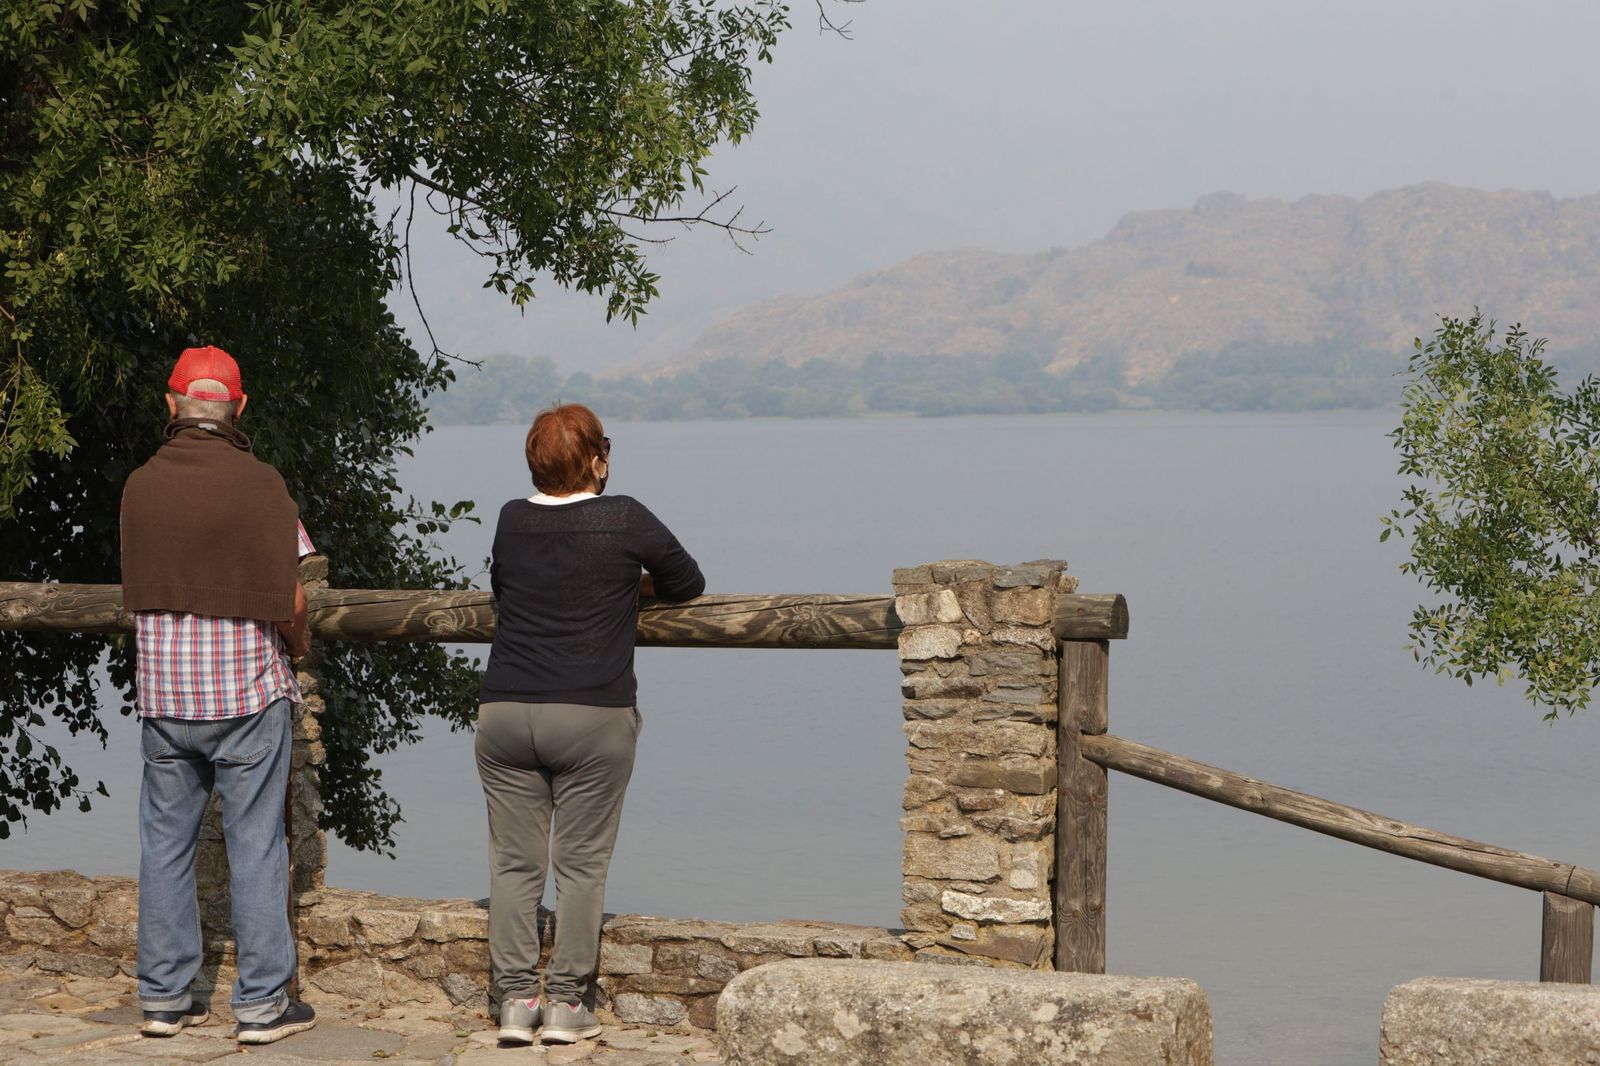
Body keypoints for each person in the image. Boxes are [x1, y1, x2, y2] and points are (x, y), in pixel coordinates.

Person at [477, 403, 704, 1046]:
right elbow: (687, 583)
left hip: (504, 713)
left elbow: (505, 592)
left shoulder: (510, 519)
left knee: (514, 865)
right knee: (579, 866)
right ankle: (568, 1003)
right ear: (599, 458)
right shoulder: (622, 516)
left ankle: (516, 1002)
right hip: (591, 714)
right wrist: (628, 586)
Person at [119, 346, 318, 1045]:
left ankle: (163, 1000)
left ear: (172, 406)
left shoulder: (140, 485)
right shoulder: (263, 486)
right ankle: (262, 1006)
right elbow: (290, 595)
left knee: (165, 845)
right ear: (239, 408)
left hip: (164, 692)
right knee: (256, 845)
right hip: (244, 689)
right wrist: (299, 648)